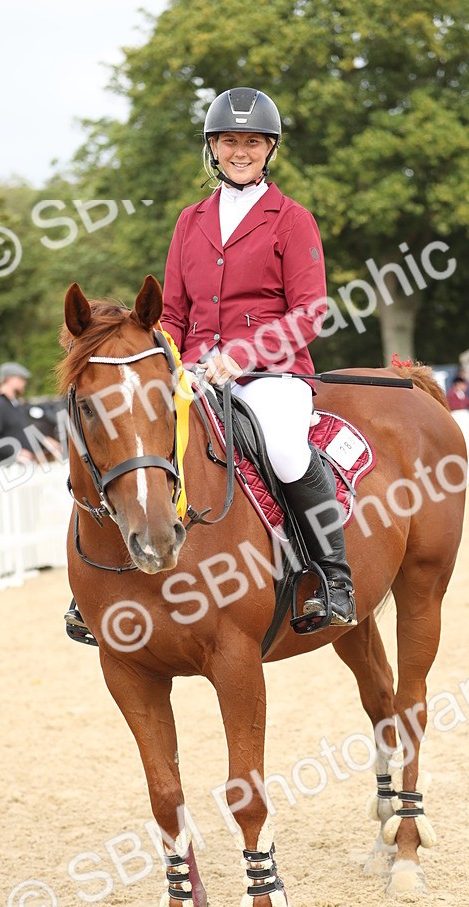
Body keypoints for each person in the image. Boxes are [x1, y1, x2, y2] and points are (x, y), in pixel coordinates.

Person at [160, 86, 356, 628]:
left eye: (251, 141)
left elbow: (310, 312)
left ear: (270, 149)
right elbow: (173, 311)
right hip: (196, 372)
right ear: (213, 148)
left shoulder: (291, 219)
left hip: (272, 374)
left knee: (286, 451)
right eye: (228, 141)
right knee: (137, 441)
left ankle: (333, 577)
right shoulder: (189, 221)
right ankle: (102, 585)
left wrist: (241, 356)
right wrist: (170, 360)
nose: (239, 151)